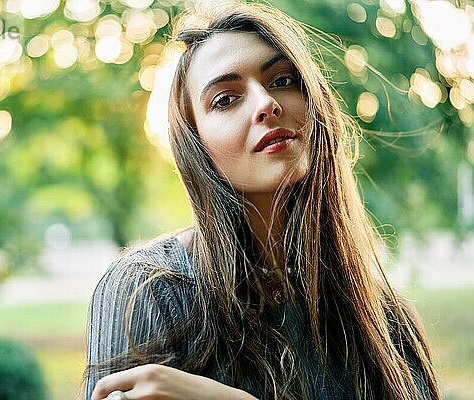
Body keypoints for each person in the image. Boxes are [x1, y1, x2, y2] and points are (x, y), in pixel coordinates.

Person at [83, 2, 440, 399]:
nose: (266, 104)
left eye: (283, 80)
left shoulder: (386, 321)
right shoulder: (147, 290)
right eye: (225, 99)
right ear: (196, 145)